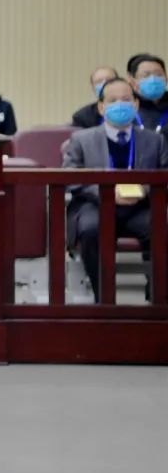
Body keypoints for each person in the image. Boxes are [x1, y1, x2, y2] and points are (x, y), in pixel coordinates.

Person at [64, 78, 167, 301]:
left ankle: (157, 296)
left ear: (136, 105)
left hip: (140, 206)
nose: (120, 105)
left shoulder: (155, 140)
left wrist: (143, 190)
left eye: (126, 99)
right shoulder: (81, 140)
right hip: (95, 204)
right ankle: (103, 296)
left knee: (162, 225)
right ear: (101, 107)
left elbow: (164, 174)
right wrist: (106, 193)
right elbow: (72, 178)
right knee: (90, 229)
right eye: (113, 100)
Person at [126, 53, 168, 133]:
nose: (153, 79)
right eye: (146, 75)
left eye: (158, 74)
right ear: (133, 81)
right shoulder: (126, 109)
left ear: (166, 78)